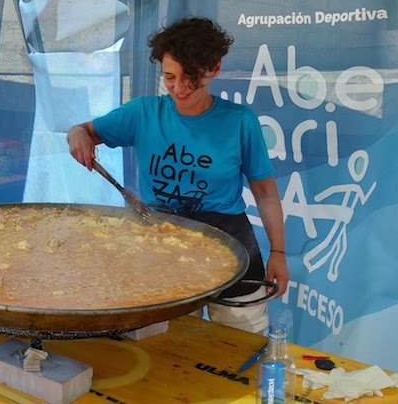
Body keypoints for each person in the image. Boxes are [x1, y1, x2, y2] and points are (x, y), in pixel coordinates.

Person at [66, 17, 289, 334]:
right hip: (159, 241)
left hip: (229, 239)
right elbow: (82, 130)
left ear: (214, 69)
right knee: (169, 342)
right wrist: (78, 138)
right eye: (170, 77)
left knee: (242, 339)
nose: (179, 88)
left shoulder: (240, 122)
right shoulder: (143, 113)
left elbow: (266, 194)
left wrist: (278, 253)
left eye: (191, 78)